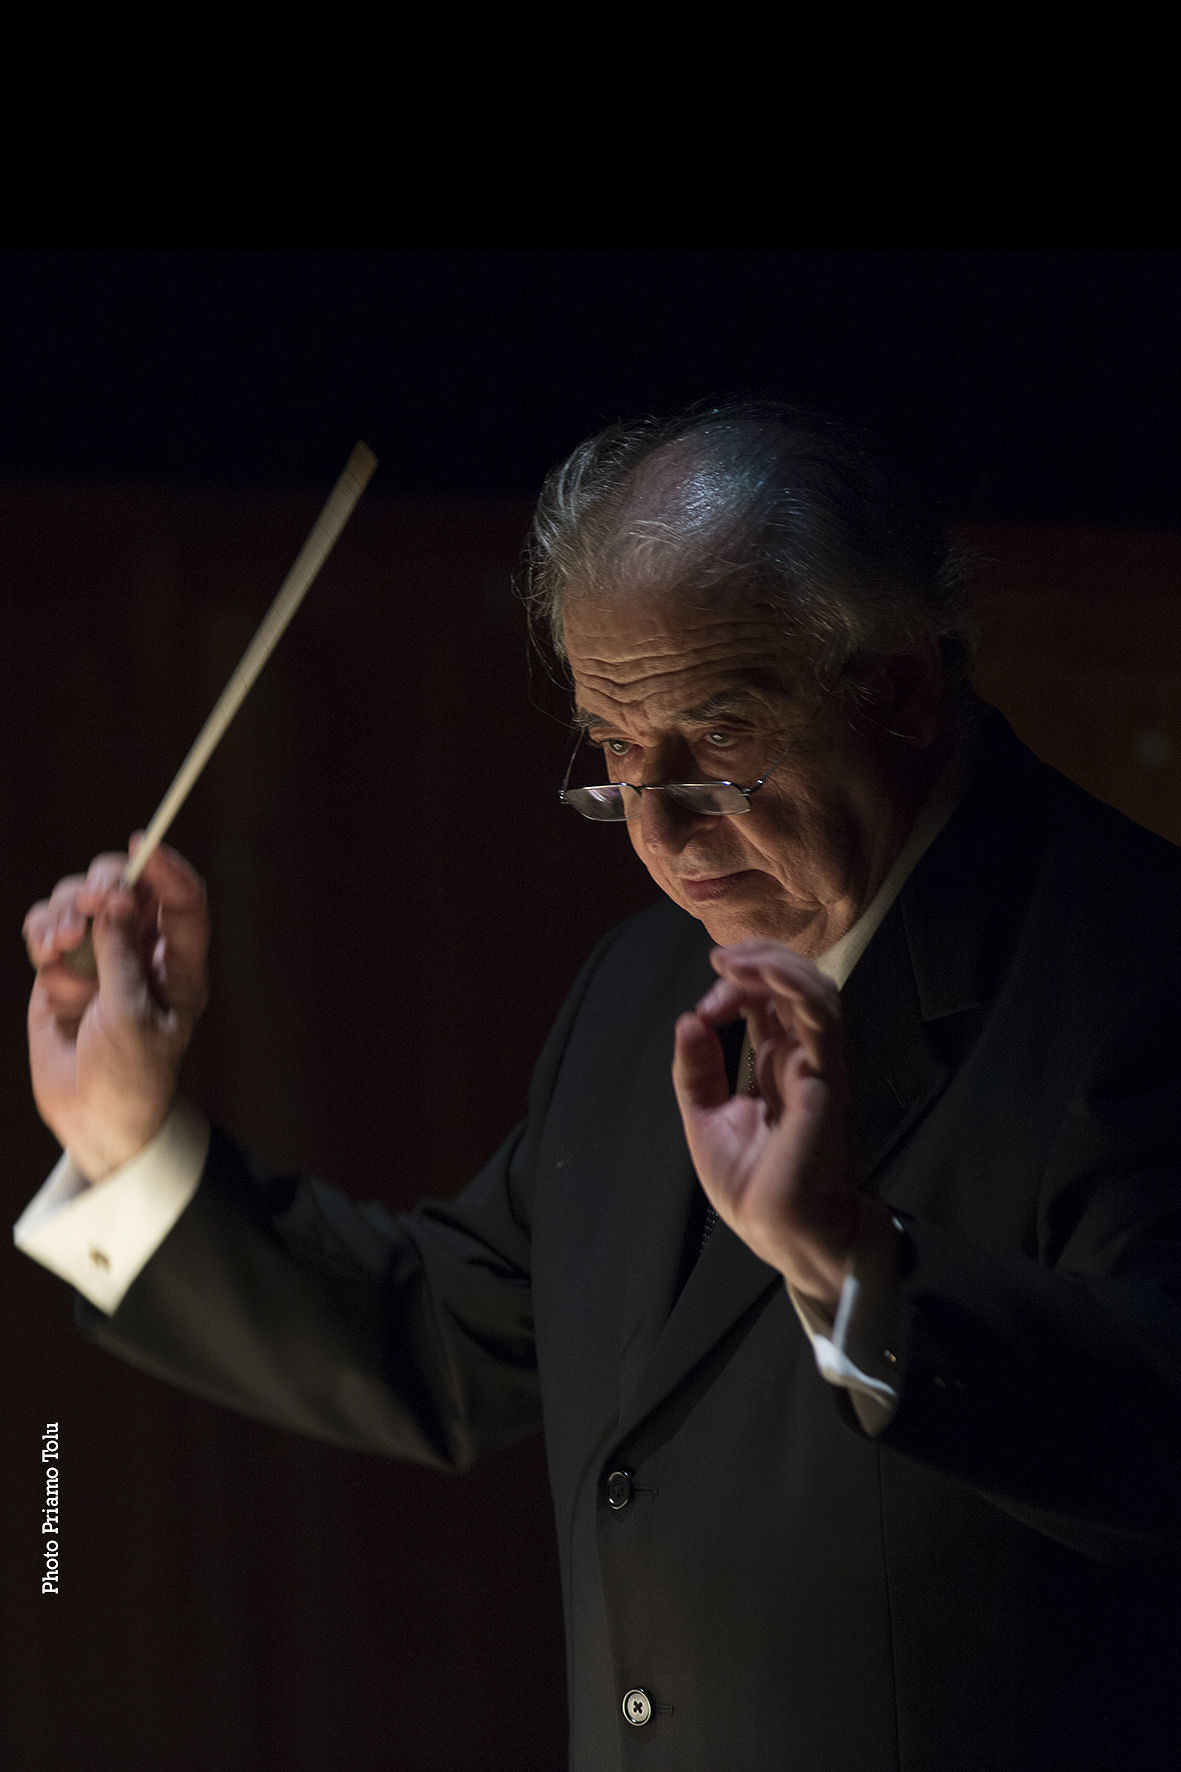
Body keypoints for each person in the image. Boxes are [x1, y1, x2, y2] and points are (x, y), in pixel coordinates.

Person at [16, 402, 1181, 1770]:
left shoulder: (1131, 969)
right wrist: (127, 1137)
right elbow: (447, 1336)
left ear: (902, 688)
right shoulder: (640, 989)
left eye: (718, 741)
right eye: (617, 757)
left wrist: (849, 1263)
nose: (663, 829)